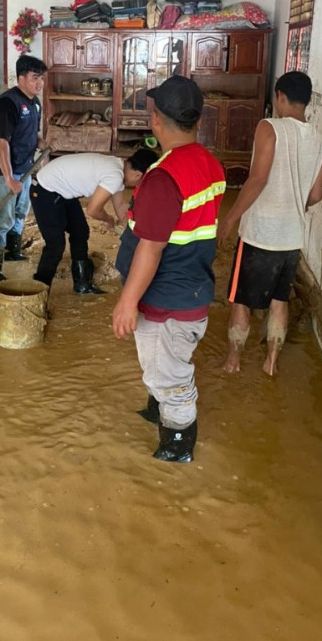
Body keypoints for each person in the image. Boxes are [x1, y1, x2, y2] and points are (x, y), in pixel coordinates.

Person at [112, 76, 226, 463]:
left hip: (168, 300)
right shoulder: (208, 163)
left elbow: (151, 247)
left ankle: (177, 444)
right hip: (190, 288)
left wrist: (127, 302)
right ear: (197, 121)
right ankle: (157, 407)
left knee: (171, 376)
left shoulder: (164, 177)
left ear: (155, 119)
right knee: (164, 362)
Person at [217, 71, 322, 376]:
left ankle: (233, 361)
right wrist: (292, 206)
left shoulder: (269, 127)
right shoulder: (320, 141)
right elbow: (316, 194)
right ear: (307, 101)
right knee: (280, 300)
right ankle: (271, 362)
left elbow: (258, 179)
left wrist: (230, 217)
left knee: (241, 300)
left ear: (280, 96)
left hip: (260, 233)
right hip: (292, 236)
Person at [30, 148, 158, 294]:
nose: (138, 185)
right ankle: (39, 291)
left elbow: (121, 207)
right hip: (44, 190)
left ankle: (82, 284)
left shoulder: (118, 168)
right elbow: (93, 210)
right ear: (138, 175)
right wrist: (109, 219)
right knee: (56, 245)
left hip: (61, 191)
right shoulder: (115, 175)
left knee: (80, 231)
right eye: (142, 181)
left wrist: (130, 230)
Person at [0, 54, 48, 283]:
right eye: (35, 78)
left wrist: (43, 145)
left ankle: (13, 252)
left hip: (24, 168)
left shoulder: (35, 103)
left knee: (19, 213)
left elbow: (33, 135)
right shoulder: (6, 104)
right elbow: (1, 144)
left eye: (42, 78)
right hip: (0, 172)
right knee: (1, 219)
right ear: (21, 78)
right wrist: (9, 178)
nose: (40, 83)